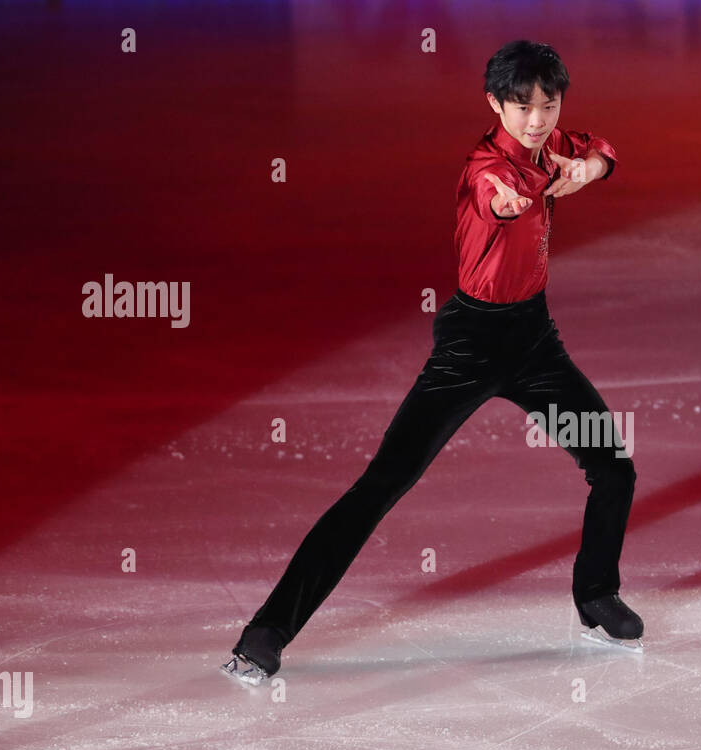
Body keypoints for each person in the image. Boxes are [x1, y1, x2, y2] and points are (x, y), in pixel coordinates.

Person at [222, 39, 642, 686]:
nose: (536, 120)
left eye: (548, 106)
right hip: (468, 349)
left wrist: (592, 168)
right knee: (380, 487)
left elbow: (604, 148)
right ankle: (265, 634)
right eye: (522, 107)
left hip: (535, 343)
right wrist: (535, 189)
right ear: (494, 104)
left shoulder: (555, 141)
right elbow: (500, 195)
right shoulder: (485, 167)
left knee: (613, 467)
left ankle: (596, 595)